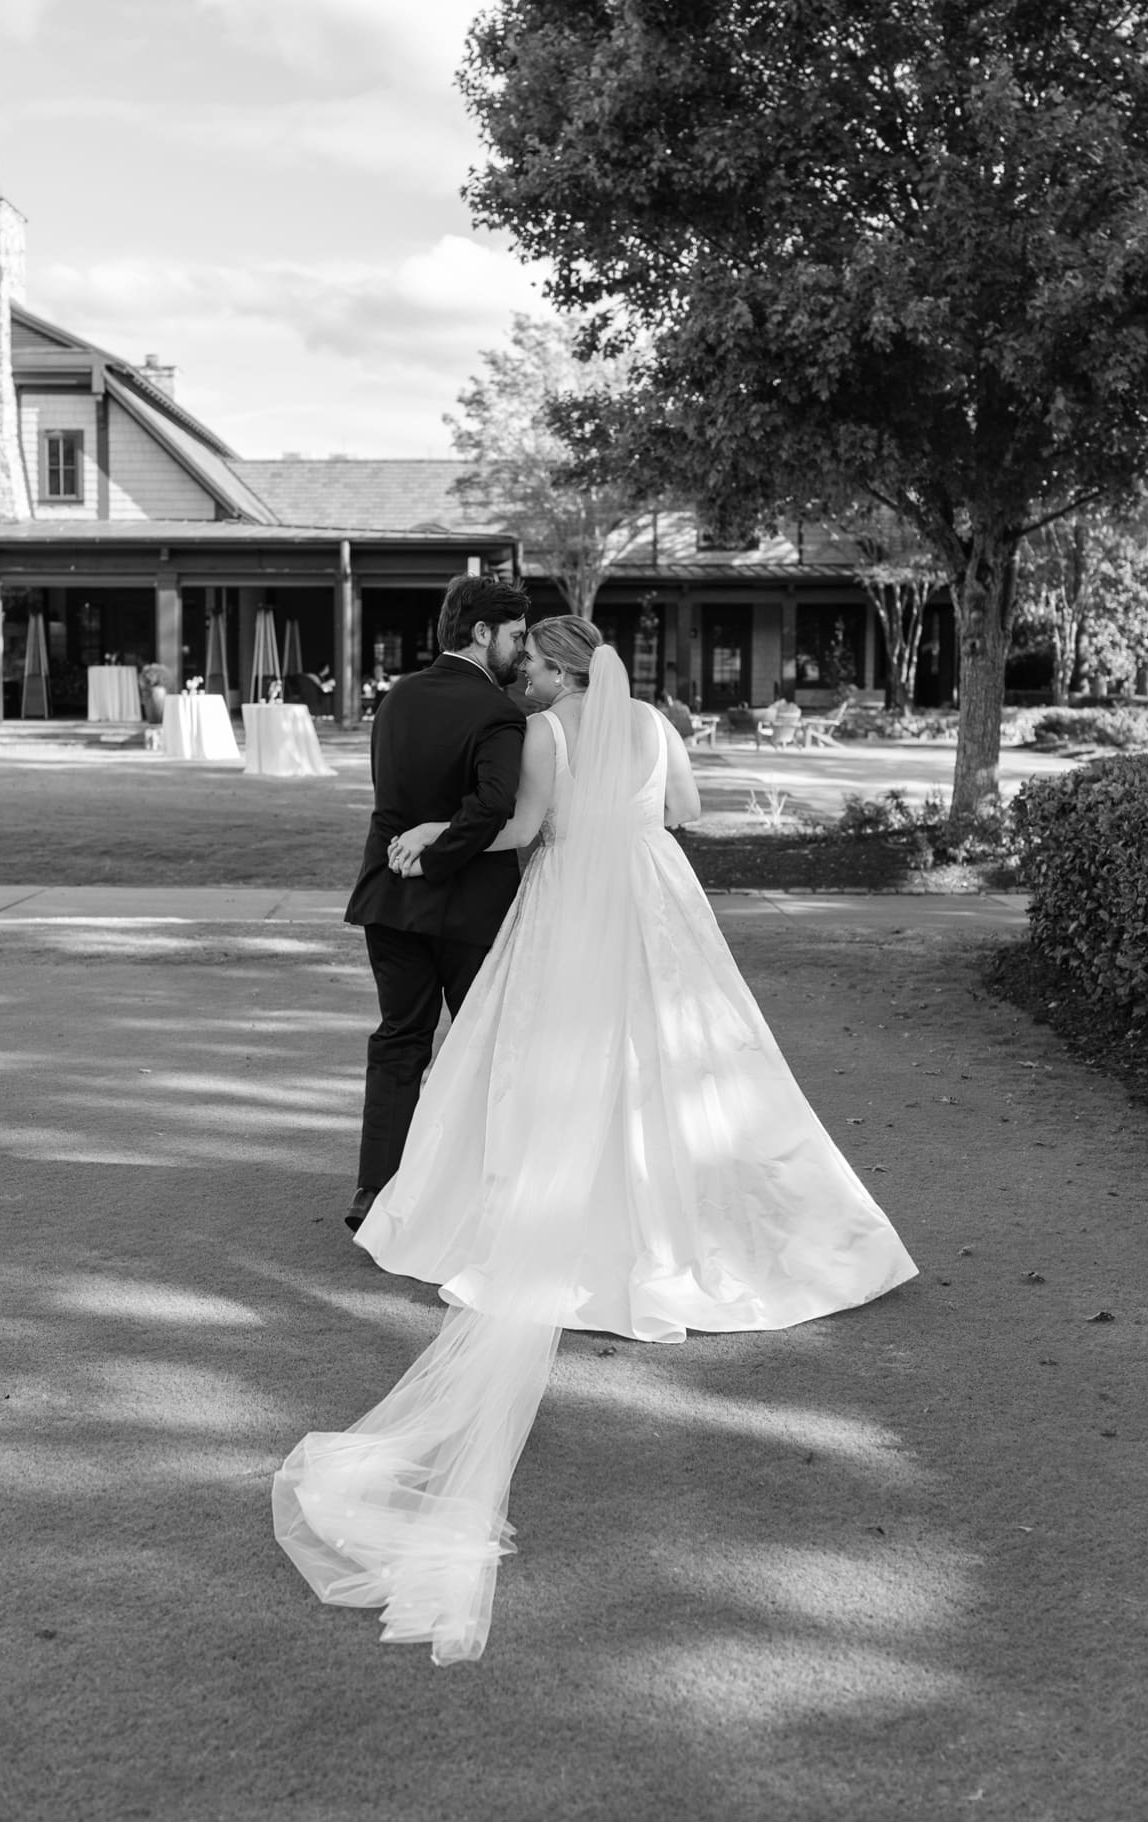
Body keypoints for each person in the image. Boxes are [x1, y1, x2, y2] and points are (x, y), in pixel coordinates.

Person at [274, 617, 917, 1665]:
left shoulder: (547, 733)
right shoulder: (655, 724)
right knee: (679, 1055)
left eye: (531, 664)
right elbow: (686, 811)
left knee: (547, 1059)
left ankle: (546, 1215)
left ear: (562, 669)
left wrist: (435, 833)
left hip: (571, 902)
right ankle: (712, 1219)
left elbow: (523, 831)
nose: (522, 676)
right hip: (657, 898)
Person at [339, 575, 529, 1233]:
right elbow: (494, 805)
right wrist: (437, 857)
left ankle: (375, 1190)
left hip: (389, 897)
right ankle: (472, 1194)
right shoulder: (499, 712)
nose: (521, 650)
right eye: (516, 636)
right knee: (481, 1047)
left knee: (400, 1037)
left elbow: (390, 790)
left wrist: (416, 857)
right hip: (468, 907)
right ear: (482, 633)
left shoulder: (396, 696)